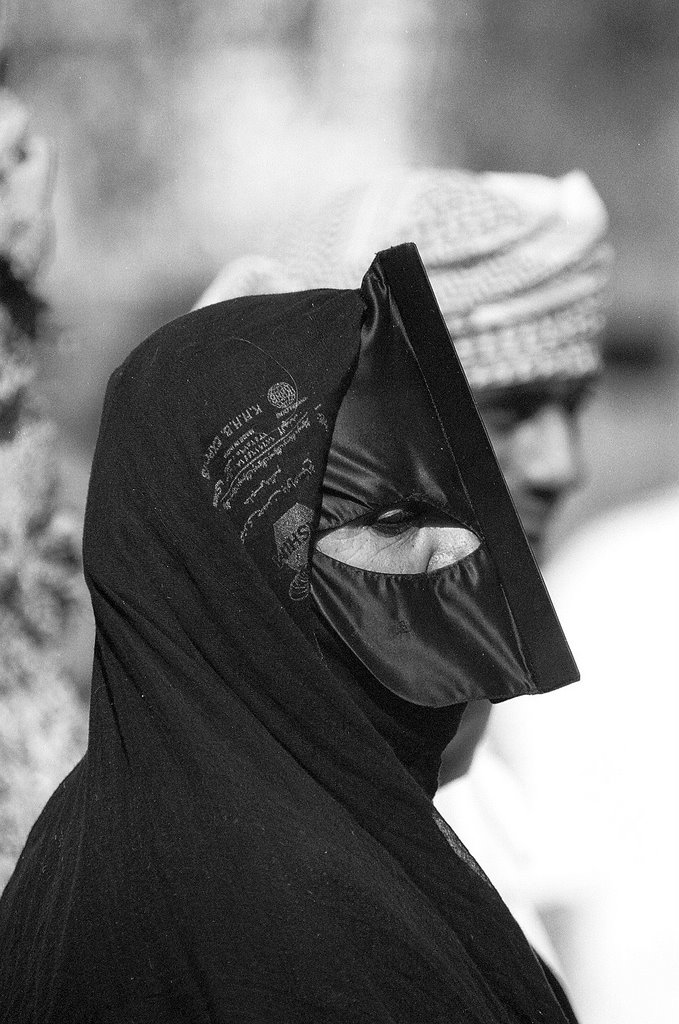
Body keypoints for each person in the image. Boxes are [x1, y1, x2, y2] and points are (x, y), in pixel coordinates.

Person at [0, 243, 583, 1022]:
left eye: (454, 511)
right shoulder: (286, 937)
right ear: (230, 570)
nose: (457, 554)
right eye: (393, 520)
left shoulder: (111, 843)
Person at [196, 167, 611, 964]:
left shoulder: (469, 743)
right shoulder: (246, 777)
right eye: (510, 409)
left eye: (574, 404)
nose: (561, 465)